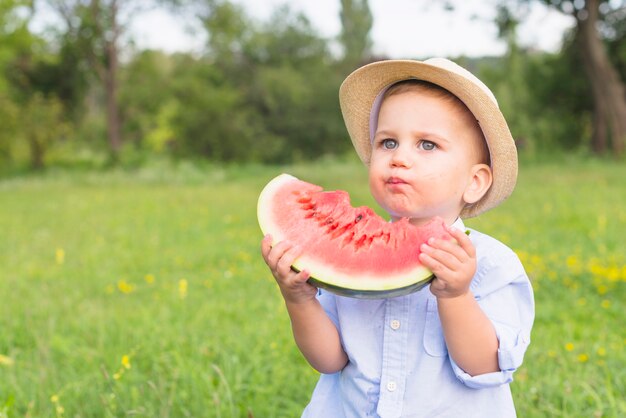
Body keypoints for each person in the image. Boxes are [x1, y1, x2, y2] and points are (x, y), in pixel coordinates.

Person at [261, 58, 534, 418]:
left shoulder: (493, 265)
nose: (400, 158)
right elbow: (328, 360)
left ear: (474, 182)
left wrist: (457, 295)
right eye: (388, 142)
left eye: (427, 145)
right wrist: (298, 299)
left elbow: (485, 366)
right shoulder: (350, 258)